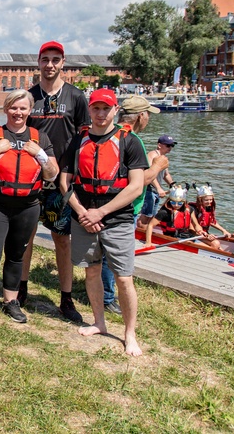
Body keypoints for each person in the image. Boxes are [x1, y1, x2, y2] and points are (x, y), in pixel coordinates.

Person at [60, 88, 148, 356]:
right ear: (90, 110)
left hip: (117, 219)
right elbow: (64, 181)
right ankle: (99, 322)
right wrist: (81, 210)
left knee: (124, 278)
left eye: (106, 109)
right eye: (96, 108)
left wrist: (101, 212)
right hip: (83, 217)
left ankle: (129, 333)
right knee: (91, 270)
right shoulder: (78, 141)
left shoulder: (129, 142)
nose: (100, 114)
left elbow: (136, 186)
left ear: (115, 111)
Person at [21, 41, 90, 322]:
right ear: (38, 63)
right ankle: (20, 290)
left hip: (61, 181)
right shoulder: (27, 96)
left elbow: (85, 139)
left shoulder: (76, 97)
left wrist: (72, 173)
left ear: (63, 63)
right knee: (24, 239)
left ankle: (66, 298)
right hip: (30, 179)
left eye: (55, 60)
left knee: (62, 240)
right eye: (45, 59)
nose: (50, 65)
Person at [0, 90, 58, 326]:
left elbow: (52, 174)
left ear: (30, 110)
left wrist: (41, 155)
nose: (18, 112)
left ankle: (11, 301)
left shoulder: (39, 138)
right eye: (13, 107)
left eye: (23, 108)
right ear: (6, 109)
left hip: (28, 205)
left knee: (16, 255)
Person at [105, 95, 165, 315]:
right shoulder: (133, 139)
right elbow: (141, 181)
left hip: (109, 202)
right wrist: (158, 166)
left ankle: (105, 292)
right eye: (148, 114)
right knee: (116, 255)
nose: (148, 118)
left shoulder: (110, 133)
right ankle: (107, 296)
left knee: (106, 253)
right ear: (141, 116)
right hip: (126, 206)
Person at [139, 135, 176, 225]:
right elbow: (149, 173)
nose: (170, 148)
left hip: (156, 191)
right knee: (146, 215)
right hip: (149, 190)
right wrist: (159, 188)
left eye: (172, 146)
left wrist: (172, 184)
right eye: (168, 145)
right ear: (159, 145)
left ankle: (147, 231)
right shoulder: (152, 155)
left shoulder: (163, 158)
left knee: (152, 215)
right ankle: (139, 231)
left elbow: (166, 174)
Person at [189, 184, 232, 250]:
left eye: (211, 200)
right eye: (206, 200)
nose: (209, 202)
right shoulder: (192, 209)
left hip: (203, 234)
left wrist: (224, 231)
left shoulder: (207, 208)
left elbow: (211, 221)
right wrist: (205, 235)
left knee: (216, 244)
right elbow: (191, 229)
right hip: (193, 235)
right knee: (215, 244)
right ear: (200, 200)